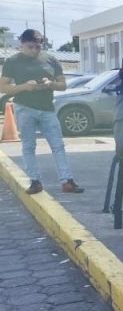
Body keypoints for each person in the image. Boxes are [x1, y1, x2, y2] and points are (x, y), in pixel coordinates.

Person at [0, 29, 84, 194]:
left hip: (47, 109)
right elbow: (3, 86)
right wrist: (24, 87)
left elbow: (63, 85)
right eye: (30, 47)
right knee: (29, 146)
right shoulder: (12, 61)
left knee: (58, 145)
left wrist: (50, 84)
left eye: (37, 47)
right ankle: (35, 181)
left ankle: (67, 181)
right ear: (21, 44)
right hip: (24, 108)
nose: (34, 50)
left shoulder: (50, 59)